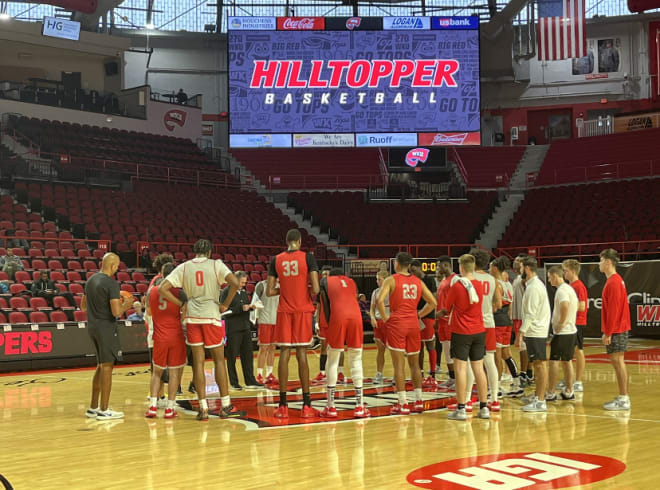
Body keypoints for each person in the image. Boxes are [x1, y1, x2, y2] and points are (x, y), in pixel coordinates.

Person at [159, 239, 246, 420]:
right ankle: (225, 405)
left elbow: (163, 288)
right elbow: (235, 283)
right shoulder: (216, 265)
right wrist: (225, 304)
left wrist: (182, 303)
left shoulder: (185, 266)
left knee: (198, 363)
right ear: (209, 252)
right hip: (211, 315)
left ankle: (203, 408)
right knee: (219, 361)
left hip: (192, 317)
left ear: (195, 251)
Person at [267, 229, 320, 418]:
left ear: (286, 241)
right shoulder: (308, 258)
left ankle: (282, 405)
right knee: (302, 354)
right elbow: (315, 288)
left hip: (284, 311)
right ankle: (306, 405)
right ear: (299, 241)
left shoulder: (276, 259)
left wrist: (286, 289)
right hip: (303, 310)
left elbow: (269, 291)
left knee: (284, 353)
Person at [376, 252, 436, 415]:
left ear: (396, 263)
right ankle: (418, 401)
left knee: (399, 365)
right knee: (415, 364)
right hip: (413, 324)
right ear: (409, 265)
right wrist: (419, 314)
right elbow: (433, 303)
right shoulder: (417, 281)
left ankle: (402, 403)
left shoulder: (391, 279)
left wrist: (385, 317)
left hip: (397, 324)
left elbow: (379, 300)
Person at [81, 253, 134, 420]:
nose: (117, 269)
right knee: (107, 367)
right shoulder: (111, 283)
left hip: (92, 327)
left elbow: (83, 307)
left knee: (100, 365)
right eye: (117, 266)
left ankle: (93, 407)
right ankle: (104, 410)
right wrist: (127, 304)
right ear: (113, 266)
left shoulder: (90, 280)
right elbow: (116, 312)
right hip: (106, 328)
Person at [319, 268, 370, 418]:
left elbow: (325, 306)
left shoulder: (325, 281)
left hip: (338, 316)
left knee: (333, 359)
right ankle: (359, 406)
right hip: (356, 318)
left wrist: (331, 324)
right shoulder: (351, 281)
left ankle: (331, 406)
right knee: (356, 359)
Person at [444, 254, 489, 420]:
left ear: (461, 268)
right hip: (479, 330)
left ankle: (461, 408)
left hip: (461, 332)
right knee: (479, 368)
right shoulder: (479, 285)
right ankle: (484, 407)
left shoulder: (457, 286)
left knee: (461, 369)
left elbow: (448, 307)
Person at [145, 262, 187, 419]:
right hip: (175, 336)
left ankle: (153, 407)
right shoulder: (180, 294)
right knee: (175, 373)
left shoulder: (152, 292)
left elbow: (149, 313)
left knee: (156, 373)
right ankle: (170, 408)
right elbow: (184, 317)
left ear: (162, 274)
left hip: (159, 337)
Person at [516, 256, 551, 412]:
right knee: (538, 364)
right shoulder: (534, 285)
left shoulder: (534, 287)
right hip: (536, 330)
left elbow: (530, 313)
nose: (520, 270)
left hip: (536, 331)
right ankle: (538, 395)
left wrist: (521, 332)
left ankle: (540, 400)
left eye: (521, 268)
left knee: (539, 364)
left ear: (527, 269)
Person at [599, 249, 631, 411]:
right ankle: (622, 397)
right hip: (618, 327)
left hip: (617, 329)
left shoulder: (613, 282)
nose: (599, 264)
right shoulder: (616, 280)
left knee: (618, 362)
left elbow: (613, 309)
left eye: (601, 260)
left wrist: (608, 332)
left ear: (608, 262)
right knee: (618, 362)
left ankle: (624, 398)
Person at [471, 248, 501, 412]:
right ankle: (495, 399)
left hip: (473, 323)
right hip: (489, 323)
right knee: (489, 361)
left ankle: (467, 400)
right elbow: (499, 303)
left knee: (469, 363)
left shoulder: (468, 278)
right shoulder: (492, 279)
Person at [221, 271, 262, 390]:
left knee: (248, 355)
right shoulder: (226, 292)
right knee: (232, 356)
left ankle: (250, 380)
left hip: (245, 327)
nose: (243, 285)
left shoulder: (243, 293)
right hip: (233, 328)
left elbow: (245, 307)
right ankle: (234, 382)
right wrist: (241, 308)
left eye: (245, 282)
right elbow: (224, 310)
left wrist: (251, 307)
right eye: (241, 282)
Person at [490, 257, 523, 399]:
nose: (489, 269)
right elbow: (510, 305)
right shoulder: (508, 284)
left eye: (490, 267)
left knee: (497, 357)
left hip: (498, 321)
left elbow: (496, 305)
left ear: (496, 268)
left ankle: (496, 388)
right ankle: (517, 384)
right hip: (506, 322)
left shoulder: (496, 284)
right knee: (506, 354)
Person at [545, 266, 578, 402]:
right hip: (571, 331)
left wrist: (562, 322)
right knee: (567, 361)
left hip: (564, 332)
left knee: (554, 362)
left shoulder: (562, 290)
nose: (548, 280)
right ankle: (569, 391)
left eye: (549, 277)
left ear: (555, 276)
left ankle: (551, 392)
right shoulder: (569, 289)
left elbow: (565, 305)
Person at [313, 266, 345, 385]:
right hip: (323, 322)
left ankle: (340, 373)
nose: (326, 276)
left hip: (336, 321)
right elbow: (319, 306)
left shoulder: (337, 288)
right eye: (324, 274)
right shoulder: (320, 289)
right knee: (323, 348)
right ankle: (322, 373)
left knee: (340, 347)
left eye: (328, 274)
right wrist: (316, 322)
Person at [410, 259, 438, 387]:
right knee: (418, 346)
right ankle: (419, 374)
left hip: (427, 315)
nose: (412, 272)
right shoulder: (413, 281)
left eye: (413, 270)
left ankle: (432, 375)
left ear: (419, 268)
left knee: (430, 345)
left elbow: (433, 299)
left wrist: (421, 313)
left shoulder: (429, 280)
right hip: (415, 315)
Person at [562, 259, 588, 393]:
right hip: (571, 322)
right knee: (570, 351)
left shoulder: (578, 286)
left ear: (572, 271)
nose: (564, 273)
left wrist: (568, 308)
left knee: (578, 351)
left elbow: (582, 306)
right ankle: (570, 378)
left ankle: (578, 381)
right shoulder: (571, 286)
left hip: (577, 322)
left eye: (565, 271)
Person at [435, 256, 456, 391]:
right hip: (441, 321)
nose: (437, 269)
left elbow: (457, 301)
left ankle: (458, 379)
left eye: (439, 266)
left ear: (446, 265)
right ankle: (452, 378)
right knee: (447, 352)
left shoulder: (455, 280)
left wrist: (446, 314)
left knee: (452, 353)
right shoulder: (443, 280)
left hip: (449, 320)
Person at [253, 278, 279, 388]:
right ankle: (259, 374)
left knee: (273, 347)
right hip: (264, 320)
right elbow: (254, 301)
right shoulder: (261, 285)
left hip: (277, 320)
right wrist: (256, 317)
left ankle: (269, 374)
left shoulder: (281, 286)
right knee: (263, 348)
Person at [510, 255, 531, 385]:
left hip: (522, 317)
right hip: (517, 316)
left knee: (523, 347)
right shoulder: (517, 279)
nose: (514, 262)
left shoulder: (525, 280)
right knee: (525, 347)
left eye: (517, 261)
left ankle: (523, 374)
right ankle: (528, 372)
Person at [369, 270, 389, 385]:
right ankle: (379, 374)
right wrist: (372, 317)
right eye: (377, 279)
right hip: (378, 323)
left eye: (379, 279)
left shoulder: (392, 291)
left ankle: (397, 375)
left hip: (389, 323)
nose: (377, 281)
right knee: (380, 350)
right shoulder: (375, 292)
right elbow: (372, 308)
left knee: (394, 351)